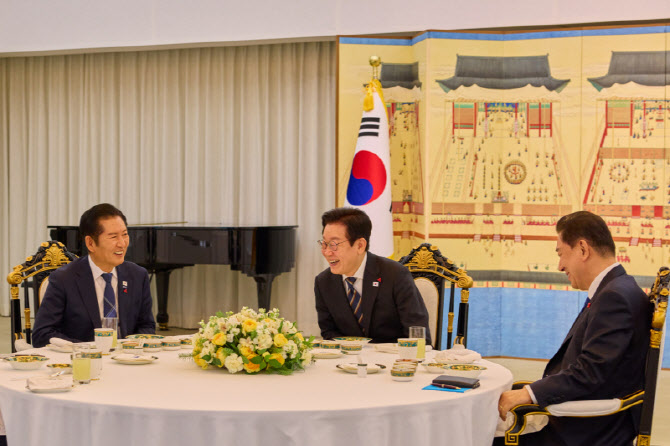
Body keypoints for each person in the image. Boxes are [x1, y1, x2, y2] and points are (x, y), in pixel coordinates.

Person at [495, 211, 652, 446]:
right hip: (589, 423)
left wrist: (527, 394)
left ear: (582, 249)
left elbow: (589, 372)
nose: (560, 266)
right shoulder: (618, 288)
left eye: (561, 254)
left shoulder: (614, 297)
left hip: (586, 433)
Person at [32, 203, 156, 347]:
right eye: (113, 237)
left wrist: (129, 347)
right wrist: (88, 348)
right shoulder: (64, 279)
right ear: (90, 243)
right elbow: (42, 334)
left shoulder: (137, 275)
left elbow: (146, 326)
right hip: (82, 356)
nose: (122, 244)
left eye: (125, 234)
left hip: (126, 356)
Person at [314, 207, 431, 344]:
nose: (327, 252)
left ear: (360, 246)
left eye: (334, 244)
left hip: (393, 355)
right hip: (347, 357)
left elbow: (417, 333)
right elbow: (329, 333)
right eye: (324, 244)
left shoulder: (395, 275)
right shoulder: (324, 282)